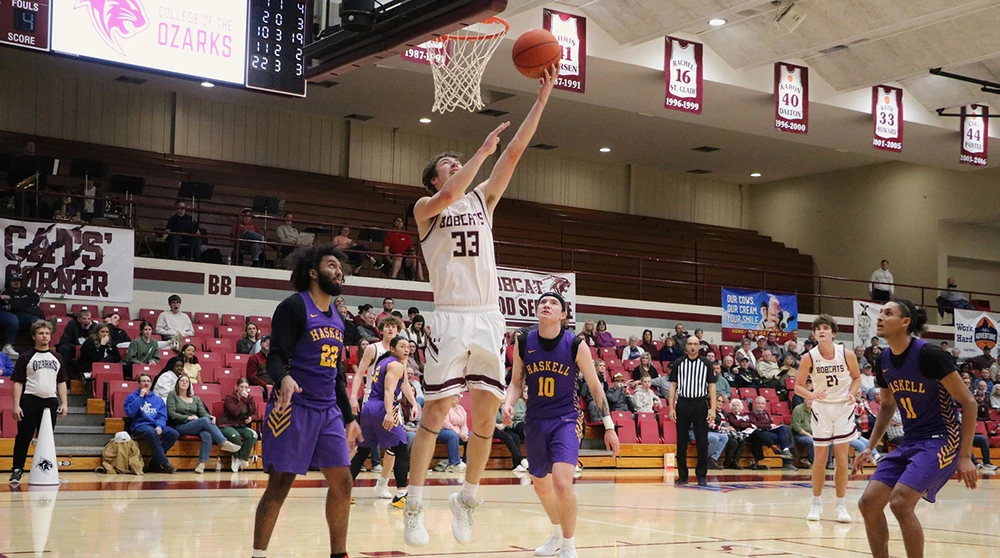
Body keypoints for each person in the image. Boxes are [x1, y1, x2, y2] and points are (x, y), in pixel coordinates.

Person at [403, 65, 558, 548]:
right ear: (433, 177)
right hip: (450, 316)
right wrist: (478, 153)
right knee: (434, 415)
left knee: (486, 420)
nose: (456, 166)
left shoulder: (484, 201)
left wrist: (542, 99)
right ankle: (413, 503)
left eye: (458, 161)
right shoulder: (427, 209)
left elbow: (514, 152)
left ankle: (467, 498)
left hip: (488, 316)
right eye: (447, 163)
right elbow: (452, 190)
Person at [253, 245, 360, 558]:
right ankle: (257, 555)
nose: (338, 271)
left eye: (340, 267)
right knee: (279, 487)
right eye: (331, 265)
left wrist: (349, 418)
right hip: (293, 409)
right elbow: (275, 357)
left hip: (327, 411)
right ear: (313, 272)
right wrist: (283, 377)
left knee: (343, 482)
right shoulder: (294, 306)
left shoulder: (339, 320)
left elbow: (338, 375)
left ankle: (339, 555)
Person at [854, 299, 978, 558]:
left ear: (905, 322)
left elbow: (969, 402)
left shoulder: (930, 355)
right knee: (868, 503)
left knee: (899, 502)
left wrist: (965, 456)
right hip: (910, 440)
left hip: (942, 439)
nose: (880, 317)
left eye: (888, 313)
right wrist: (869, 446)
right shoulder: (883, 360)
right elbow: (887, 407)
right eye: (880, 313)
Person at [502, 291, 619, 558]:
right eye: (543, 302)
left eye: (554, 303)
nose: (547, 305)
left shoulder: (575, 344)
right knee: (541, 484)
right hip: (535, 420)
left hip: (566, 419)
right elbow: (516, 382)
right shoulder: (523, 342)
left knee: (562, 483)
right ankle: (556, 535)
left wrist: (609, 426)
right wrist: (508, 403)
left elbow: (595, 386)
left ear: (563, 315)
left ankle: (569, 545)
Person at [793, 314, 862, 522]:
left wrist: (853, 392)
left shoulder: (847, 354)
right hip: (821, 408)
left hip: (843, 407)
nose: (821, 331)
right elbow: (797, 386)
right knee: (820, 460)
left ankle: (841, 505)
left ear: (833, 333)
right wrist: (811, 394)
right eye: (818, 328)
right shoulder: (809, 357)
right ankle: (816, 503)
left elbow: (857, 378)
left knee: (841, 460)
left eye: (825, 328)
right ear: (814, 334)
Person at [350, 335, 419, 508]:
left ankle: (343, 490)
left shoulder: (385, 362)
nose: (406, 349)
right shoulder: (395, 365)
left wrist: (414, 403)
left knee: (363, 451)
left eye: (407, 346)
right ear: (393, 348)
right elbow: (389, 390)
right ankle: (402, 495)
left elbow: (403, 385)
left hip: (369, 407)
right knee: (401, 449)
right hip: (382, 407)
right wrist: (389, 412)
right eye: (401, 346)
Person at [8, 321, 68, 484]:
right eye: (41, 333)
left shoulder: (57, 357)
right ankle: (17, 470)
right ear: (34, 336)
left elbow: (61, 381)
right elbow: (18, 382)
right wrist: (16, 405)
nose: (45, 336)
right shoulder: (26, 357)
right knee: (24, 437)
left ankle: (47, 471)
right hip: (29, 400)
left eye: (47, 333)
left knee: (46, 438)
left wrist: (64, 403)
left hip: (50, 401)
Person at [349, 315, 404, 473]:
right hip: (372, 399)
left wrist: (413, 402)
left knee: (395, 445)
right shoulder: (373, 348)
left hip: (392, 402)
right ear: (381, 329)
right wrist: (353, 397)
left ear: (398, 330)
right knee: (364, 446)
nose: (390, 329)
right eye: (387, 326)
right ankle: (347, 481)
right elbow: (359, 373)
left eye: (393, 326)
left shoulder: (401, 351)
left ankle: (383, 482)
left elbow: (404, 382)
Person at [167, 374, 242, 473]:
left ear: (190, 385)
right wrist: (188, 417)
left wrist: (210, 417)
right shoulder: (172, 395)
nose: (184, 382)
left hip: (195, 425)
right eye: (182, 381)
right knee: (204, 421)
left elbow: (203, 413)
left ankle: (202, 464)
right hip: (180, 425)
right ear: (177, 383)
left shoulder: (196, 398)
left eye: (187, 381)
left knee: (207, 434)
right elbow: (171, 413)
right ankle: (223, 442)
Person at [668, 336, 717, 486]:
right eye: (690, 344)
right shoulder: (678, 363)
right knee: (681, 441)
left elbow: (712, 386)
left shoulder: (706, 363)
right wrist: (671, 407)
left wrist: (713, 408)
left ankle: (701, 475)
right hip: (683, 403)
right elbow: (673, 386)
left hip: (700, 403)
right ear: (686, 346)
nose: (692, 346)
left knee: (702, 441)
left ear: (699, 346)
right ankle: (683, 476)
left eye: (695, 344)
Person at [125, 373, 179, 474]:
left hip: (155, 424)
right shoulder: (131, 397)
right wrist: (140, 397)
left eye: (148, 381)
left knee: (173, 433)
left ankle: (155, 461)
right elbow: (130, 413)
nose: (146, 383)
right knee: (151, 432)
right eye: (143, 381)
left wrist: (159, 426)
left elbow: (162, 416)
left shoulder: (158, 399)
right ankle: (165, 464)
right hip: (140, 425)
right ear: (139, 384)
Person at [218, 378, 258, 473]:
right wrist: (243, 399)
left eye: (246, 387)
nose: (244, 389)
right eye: (241, 387)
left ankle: (241, 458)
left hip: (240, 425)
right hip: (226, 424)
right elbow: (235, 412)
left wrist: (251, 418)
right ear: (237, 387)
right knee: (235, 436)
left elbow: (255, 413)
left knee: (253, 435)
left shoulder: (250, 398)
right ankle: (235, 457)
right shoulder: (229, 398)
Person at [3, 270, 45, 335]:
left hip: (33, 312)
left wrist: (19, 303)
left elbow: (36, 298)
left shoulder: (27, 290)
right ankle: (46, 324)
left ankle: (45, 324)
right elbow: (13, 306)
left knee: (39, 315)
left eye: (18, 280)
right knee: (30, 318)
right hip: (19, 317)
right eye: (13, 281)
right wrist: (28, 302)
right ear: (9, 283)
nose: (16, 282)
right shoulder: (6, 293)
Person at [56, 309, 93, 374]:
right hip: (73, 347)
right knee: (64, 348)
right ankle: (62, 373)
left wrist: (88, 330)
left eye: (88, 319)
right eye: (84, 319)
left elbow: (94, 341)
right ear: (79, 319)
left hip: (87, 349)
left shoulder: (93, 326)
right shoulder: (72, 324)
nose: (87, 321)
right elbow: (64, 340)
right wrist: (77, 347)